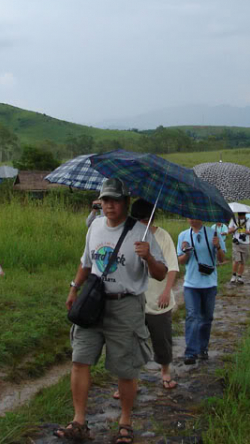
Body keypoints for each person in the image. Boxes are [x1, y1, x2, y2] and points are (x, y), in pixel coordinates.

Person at [56, 178, 167, 444]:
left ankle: (125, 422)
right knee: (80, 360)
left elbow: (161, 274)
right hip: (93, 302)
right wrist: (74, 288)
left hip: (126, 305)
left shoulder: (141, 233)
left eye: (115, 200)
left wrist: (149, 257)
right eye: (105, 200)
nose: (109, 205)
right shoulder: (94, 226)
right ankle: (79, 421)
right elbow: (86, 263)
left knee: (126, 368)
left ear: (126, 202)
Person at [132, 199, 179, 391]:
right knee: (131, 342)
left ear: (151, 219)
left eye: (144, 220)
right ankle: (128, 381)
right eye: (137, 220)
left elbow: (172, 268)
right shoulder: (129, 236)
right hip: (134, 300)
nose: (141, 224)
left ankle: (165, 371)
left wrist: (167, 292)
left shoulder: (163, 236)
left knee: (162, 340)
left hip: (158, 299)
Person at [177, 218, 226, 365]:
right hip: (191, 284)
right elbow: (181, 260)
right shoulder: (183, 235)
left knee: (206, 318)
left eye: (194, 216)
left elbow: (222, 259)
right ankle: (190, 352)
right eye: (189, 217)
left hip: (209, 284)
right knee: (192, 316)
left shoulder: (214, 234)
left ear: (201, 217)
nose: (191, 220)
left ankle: (202, 348)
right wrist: (186, 252)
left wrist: (217, 247)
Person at [227, 212, 250, 284]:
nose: (240, 217)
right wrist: (235, 229)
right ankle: (233, 276)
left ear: (245, 214)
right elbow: (229, 231)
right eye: (239, 215)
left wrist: (249, 232)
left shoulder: (249, 220)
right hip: (236, 242)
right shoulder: (233, 220)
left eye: (242, 215)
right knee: (236, 260)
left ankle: (239, 276)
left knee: (243, 261)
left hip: (246, 243)